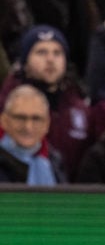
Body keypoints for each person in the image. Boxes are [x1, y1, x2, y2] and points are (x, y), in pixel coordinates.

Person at [0, 26, 96, 180]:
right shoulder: (6, 101)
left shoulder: (80, 106)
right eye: (41, 52)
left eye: (57, 53)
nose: (50, 59)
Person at [0, 84, 65, 185]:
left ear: (47, 124)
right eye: (20, 118)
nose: (28, 127)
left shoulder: (55, 162)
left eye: (36, 119)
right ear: (4, 121)